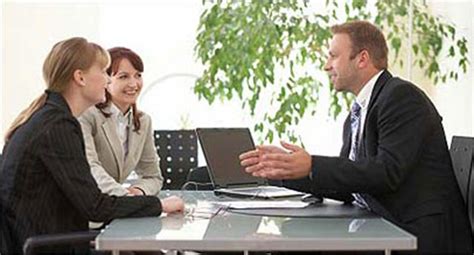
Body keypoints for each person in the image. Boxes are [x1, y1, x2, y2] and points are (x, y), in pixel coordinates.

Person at [240, 21, 472, 254]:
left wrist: (312, 165)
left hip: (415, 234)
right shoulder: (360, 110)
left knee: (290, 245)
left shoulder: (401, 97)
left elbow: (386, 172)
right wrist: (284, 172)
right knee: (290, 238)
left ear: (362, 59)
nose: (326, 66)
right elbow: (350, 184)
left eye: (333, 56)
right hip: (381, 225)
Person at [0, 37, 184, 254]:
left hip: (43, 241)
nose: (108, 81)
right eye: (105, 72)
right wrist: (159, 205)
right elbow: (95, 206)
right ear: (80, 77)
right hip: (46, 246)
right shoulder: (58, 125)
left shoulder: (50, 117)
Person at [79, 47, 163, 197]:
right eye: (123, 77)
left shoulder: (143, 121)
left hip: (116, 210)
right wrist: (126, 197)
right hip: (86, 210)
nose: (134, 84)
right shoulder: (87, 115)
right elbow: (90, 169)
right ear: (106, 79)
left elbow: (153, 176)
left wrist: (139, 191)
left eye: (138, 75)